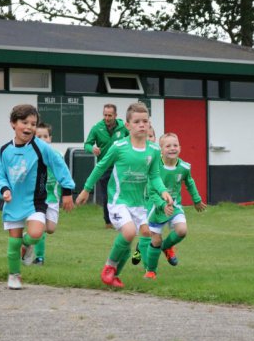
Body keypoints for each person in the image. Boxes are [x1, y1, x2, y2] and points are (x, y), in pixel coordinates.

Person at [76, 102, 172, 288]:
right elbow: (100, 167)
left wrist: (163, 191)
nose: (142, 125)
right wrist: (86, 189)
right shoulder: (119, 147)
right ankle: (108, 267)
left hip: (139, 204)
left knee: (141, 235)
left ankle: (115, 275)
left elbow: (154, 176)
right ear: (127, 125)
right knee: (129, 232)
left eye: (145, 121)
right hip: (118, 201)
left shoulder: (153, 150)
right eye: (137, 122)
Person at [0, 104, 75, 289]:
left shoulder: (41, 147)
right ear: (13, 124)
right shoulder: (4, 150)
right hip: (13, 203)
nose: (29, 127)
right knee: (13, 243)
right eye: (24, 122)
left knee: (37, 233)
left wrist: (67, 191)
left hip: (36, 202)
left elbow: (59, 165)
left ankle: (27, 244)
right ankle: (14, 276)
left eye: (33, 123)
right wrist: (4, 189)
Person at [143, 132, 207, 280]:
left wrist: (196, 200)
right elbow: (151, 191)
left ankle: (166, 247)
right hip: (155, 207)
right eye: (168, 146)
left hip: (175, 205)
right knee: (155, 240)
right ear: (161, 150)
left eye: (175, 145)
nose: (172, 148)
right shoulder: (154, 167)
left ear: (180, 148)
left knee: (182, 231)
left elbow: (189, 182)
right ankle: (151, 271)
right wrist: (162, 205)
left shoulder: (184, 167)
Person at [26, 122, 70, 266]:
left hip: (52, 197)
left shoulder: (56, 156)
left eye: (45, 136)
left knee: (50, 228)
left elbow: (64, 174)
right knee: (41, 226)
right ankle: (39, 258)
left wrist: (67, 193)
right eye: (39, 136)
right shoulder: (30, 156)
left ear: (50, 138)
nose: (43, 139)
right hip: (36, 199)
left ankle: (27, 239)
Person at [84, 104, 129, 228]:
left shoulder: (123, 127)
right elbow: (87, 144)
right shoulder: (97, 128)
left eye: (110, 115)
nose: (107, 118)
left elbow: (131, 141)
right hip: (104, 167)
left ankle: (123, 219)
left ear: (115, 115)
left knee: (121, 194)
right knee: (107, 195)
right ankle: (108, 222)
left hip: (120, 167)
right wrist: (92, 149)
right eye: (105, 115)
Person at [132, 123, 157, 266]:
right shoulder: (138, 156)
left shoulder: (158, 155)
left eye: (151, 136)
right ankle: (149, 268)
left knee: (152, 232)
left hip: (156, 200)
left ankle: (140, 248)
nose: (149, 138)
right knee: (147, 231)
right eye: (146, 136)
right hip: (141, 200)